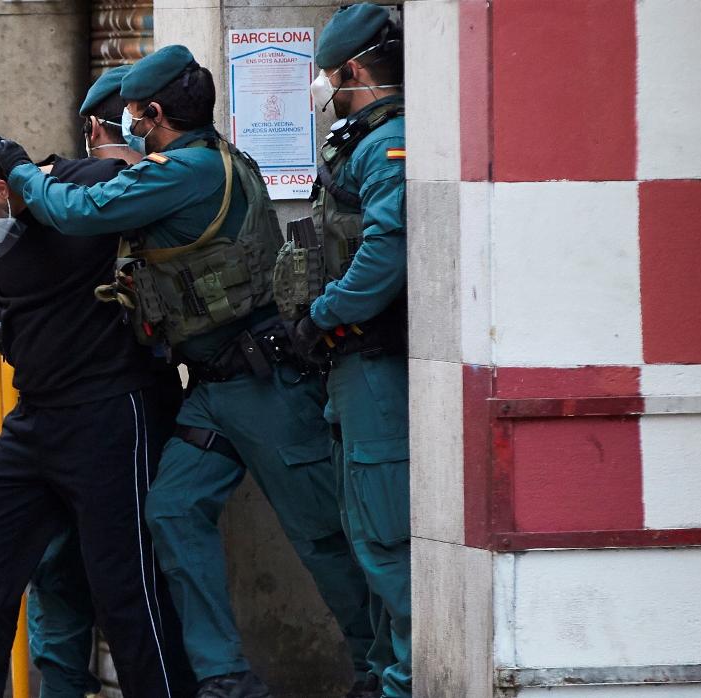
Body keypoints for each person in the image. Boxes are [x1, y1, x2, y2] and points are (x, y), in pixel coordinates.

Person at [0, 45, 379, 698]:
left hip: (265, 389)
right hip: (213, 390)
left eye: (134, 113)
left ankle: (380, 670)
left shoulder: (186, 172)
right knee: (171, 511)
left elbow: (77, 212)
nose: (128, 123)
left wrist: (20, 173)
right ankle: (224, 677)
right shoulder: (211, 159)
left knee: (321, 540)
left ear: (154, 113)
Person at [0, 132, 197, 698]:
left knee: (125, 589)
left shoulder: (88, 188)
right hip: (36, 416)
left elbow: (139, 196)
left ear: (2, 190)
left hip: (111, 412)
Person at [281, 5, 412, 697]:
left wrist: (324, 316)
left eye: (328, 75)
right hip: (349, 370)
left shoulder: (387, 144)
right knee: (367, 534)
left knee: (389, 540)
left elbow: (385, 253)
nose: (323, 86)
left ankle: (405, 682)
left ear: (353, 71)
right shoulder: (363, 141)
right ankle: (382, 676)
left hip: (373, 367)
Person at [23, 65, 145, 698]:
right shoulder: (80, 186)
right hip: (92, 402)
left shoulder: (126, 184)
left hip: (120, 403)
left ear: (96, 126)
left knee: (119, 570)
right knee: (58, 563)